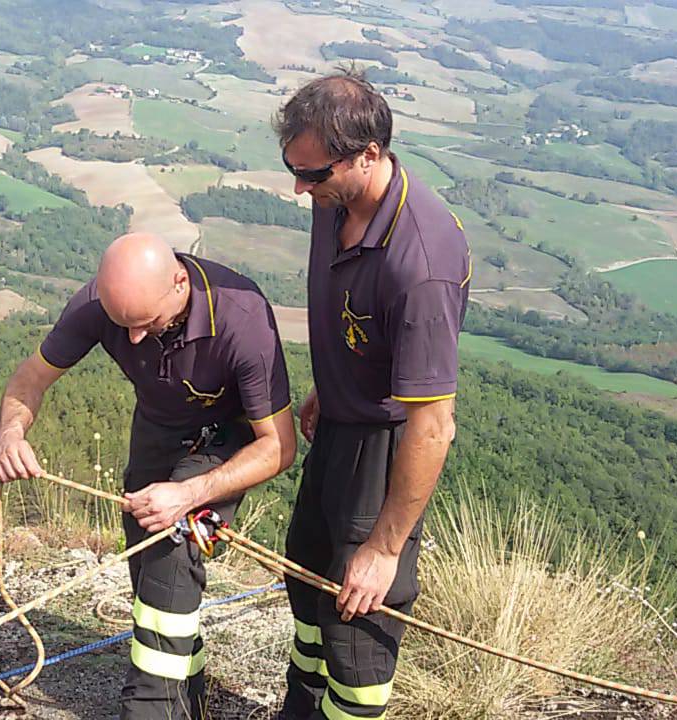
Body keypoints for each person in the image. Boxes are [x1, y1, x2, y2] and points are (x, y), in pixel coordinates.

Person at [0, 233, 297, 720]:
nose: (134, 339)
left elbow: (279, 445)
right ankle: (187, 694)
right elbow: (31, 377)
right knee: (144, 551)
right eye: (122, 326)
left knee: (171, 541)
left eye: (146, 323)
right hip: (158, 427)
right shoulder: (102, 302)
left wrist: (192, 492)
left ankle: (150, 708)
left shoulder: (241, 317)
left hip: (227, 435)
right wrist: (11, 433)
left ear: (180, 282)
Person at [273, 71, 471, 720]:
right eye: (293, 169)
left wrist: (385, 550)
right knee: (306, 580)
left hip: (384, 449)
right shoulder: (337, 200)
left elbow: (433, 426)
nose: (301, 188)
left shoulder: (421, 262)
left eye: (314, 174)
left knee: (355, 622)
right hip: (337, 423)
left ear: (369, 155)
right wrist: (330, 385)